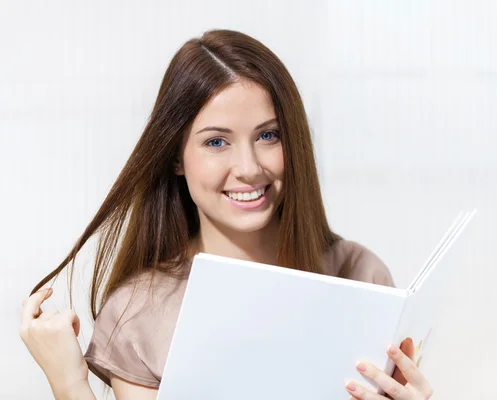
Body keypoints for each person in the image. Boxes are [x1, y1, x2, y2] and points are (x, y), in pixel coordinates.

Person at [19, 29, 433, 400]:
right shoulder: (140, 311)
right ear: (176, 158)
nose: (250, 167)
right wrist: (70, 385)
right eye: (216, 142)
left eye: (268, 135)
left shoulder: (361, 277)